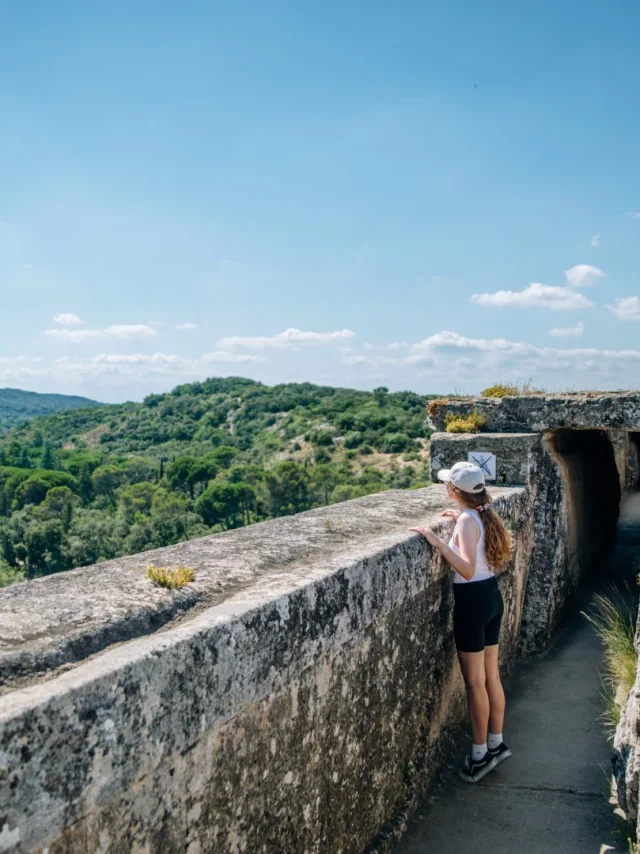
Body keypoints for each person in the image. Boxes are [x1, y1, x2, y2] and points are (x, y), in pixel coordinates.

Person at [409, 461, 512, 783]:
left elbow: (466, 569)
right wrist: (458, 524)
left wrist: (438, 542)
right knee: (491, 677)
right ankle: (497, 743)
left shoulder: (470, 519)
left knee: (475, 684)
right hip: (492, 596)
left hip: (472, 603)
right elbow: (475, 546)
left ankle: (479, 755)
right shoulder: (481, 513)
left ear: (454, 490)